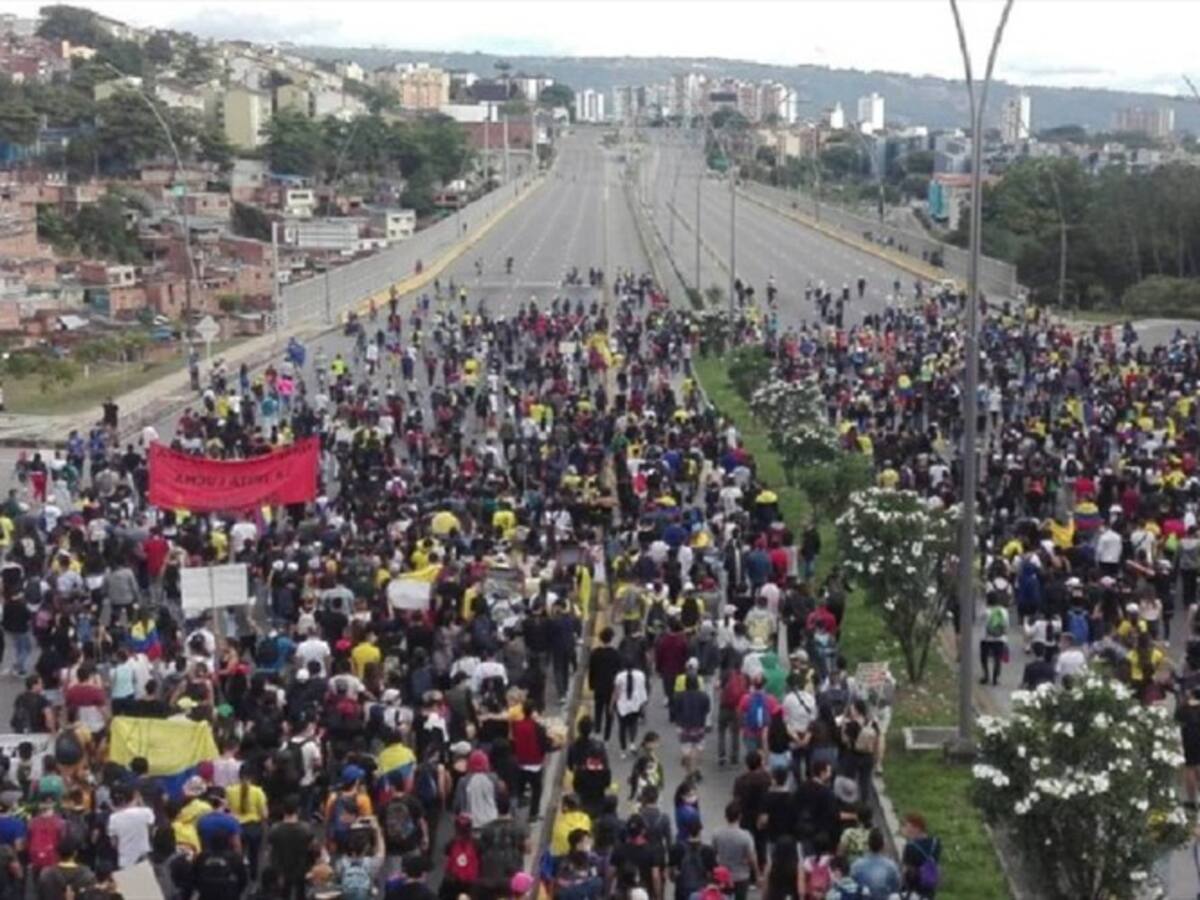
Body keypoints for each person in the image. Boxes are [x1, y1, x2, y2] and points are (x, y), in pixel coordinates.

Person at [710, 803, 759, 900]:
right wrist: (757, 874)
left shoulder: (717, 834)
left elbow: (713, 854)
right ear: (740, 817)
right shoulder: (746, 836)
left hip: (723, 875)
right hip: (741, 876)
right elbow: (752, 857)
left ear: (725, 816)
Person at [106, 785, 155, 871]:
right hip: (144, 858)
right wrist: (140, 800)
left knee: (129, 884)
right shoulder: (146, 812)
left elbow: (114, 843)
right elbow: (151, 830)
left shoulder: (113, 818)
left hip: (125, 861)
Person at [848, 830, 900, 899]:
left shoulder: (856, 865)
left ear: (868, 845)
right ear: (883, 845)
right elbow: (895, 888)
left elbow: (852, 886)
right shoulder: (891, 866)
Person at [900, 814, 941, 898]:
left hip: (914, 891)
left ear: (916, 828)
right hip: (929, 889)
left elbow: (905, 872)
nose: (904, 829)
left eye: (906, 826)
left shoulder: (910, 847)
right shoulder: (935, 843)